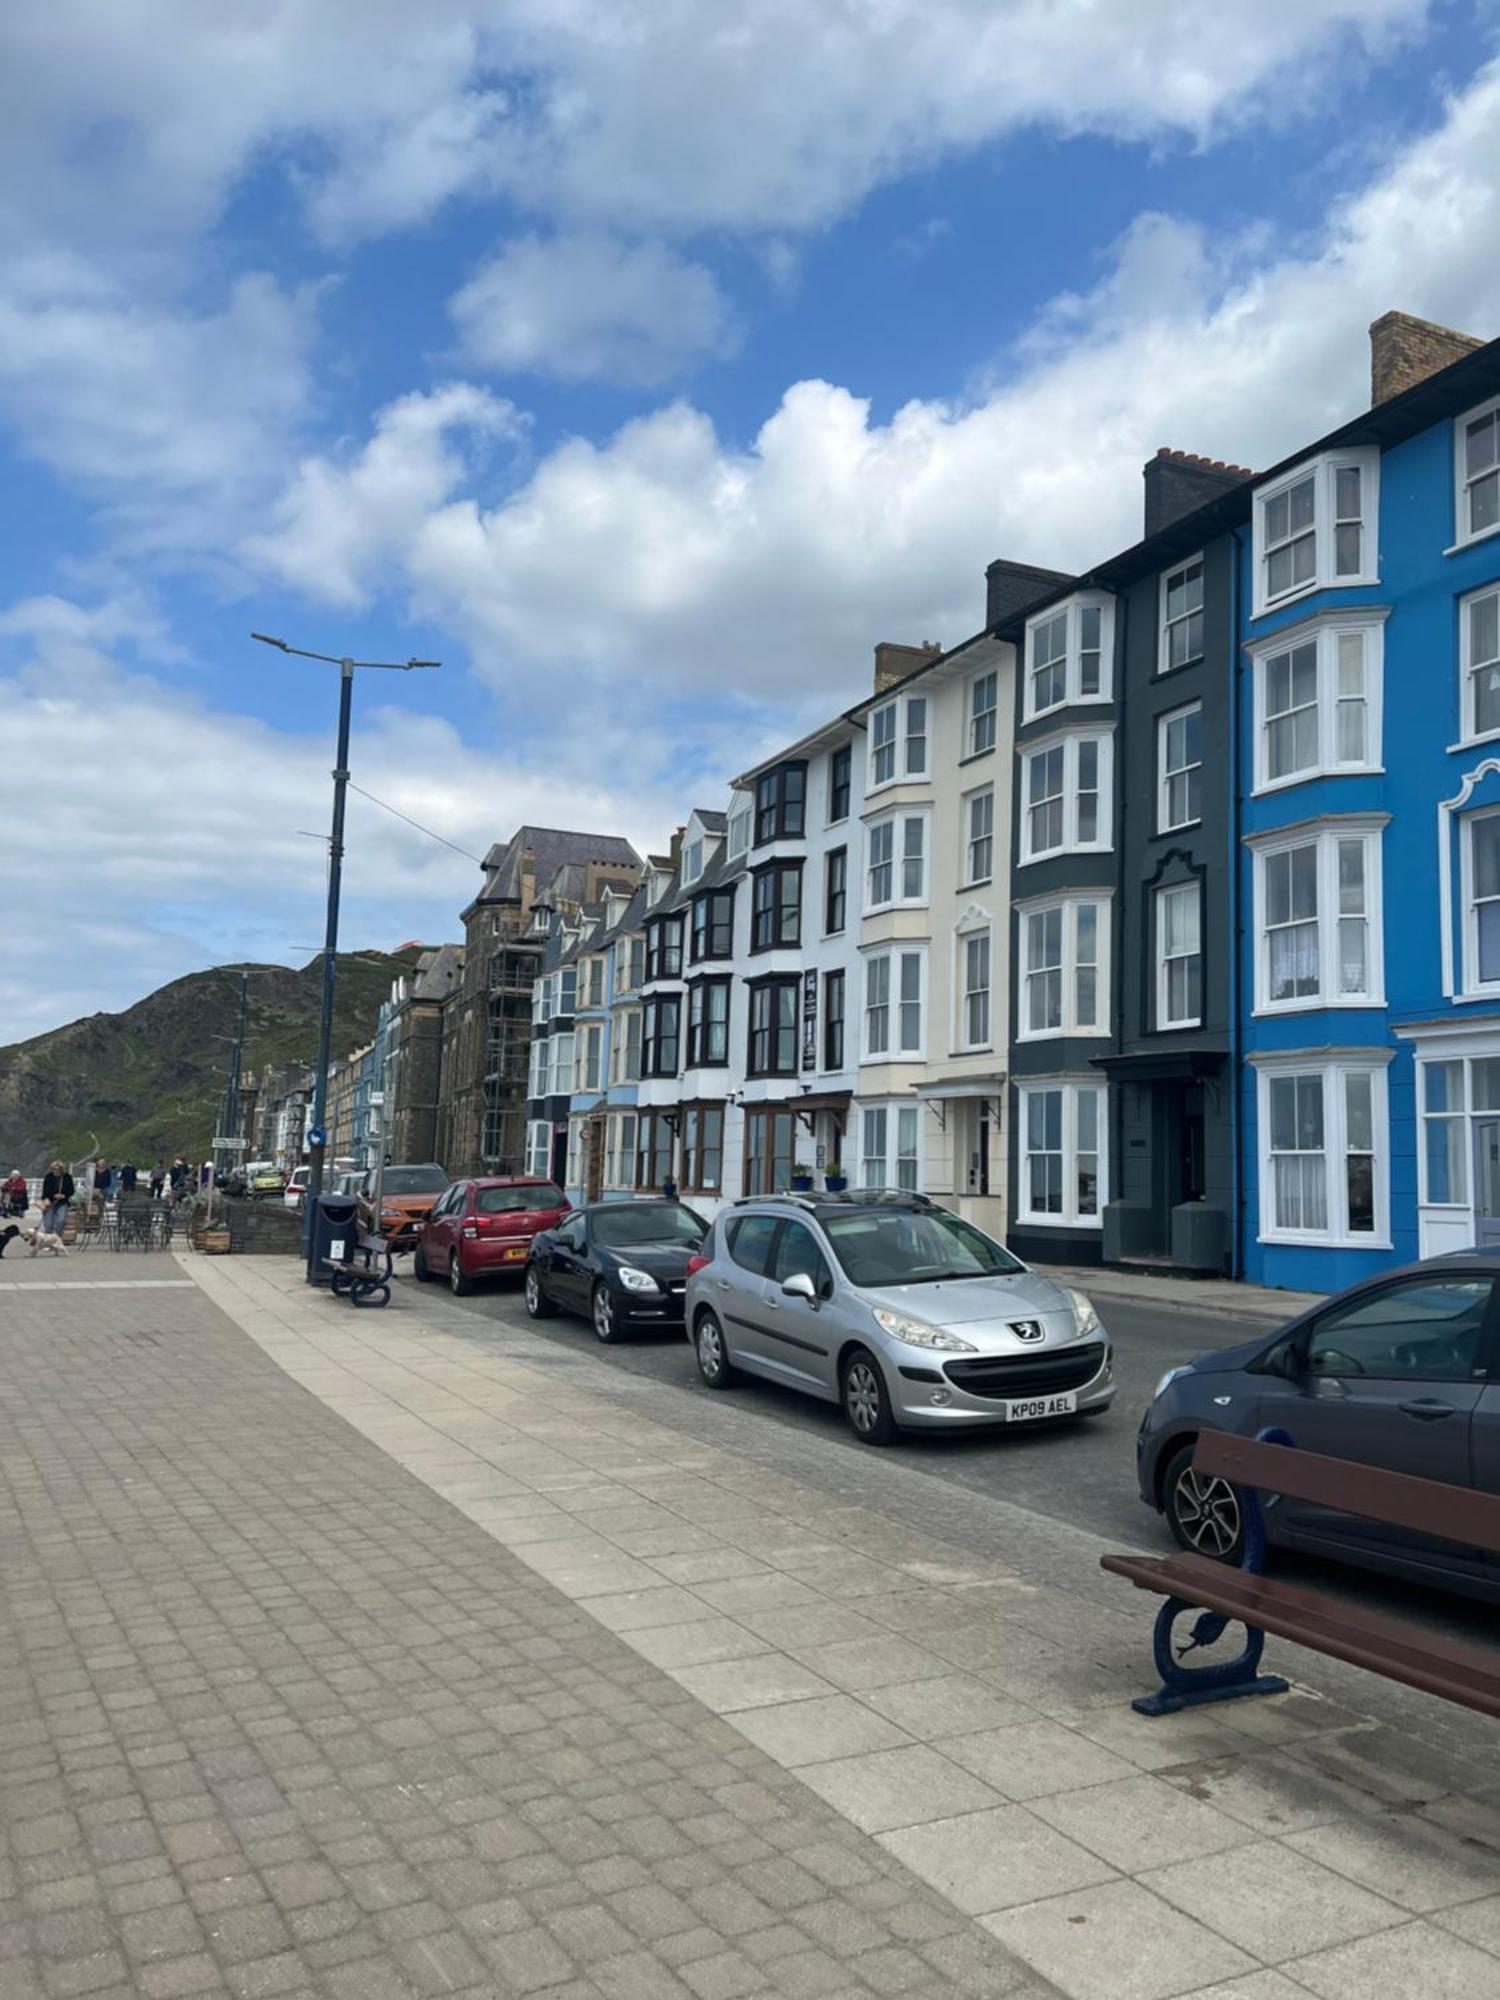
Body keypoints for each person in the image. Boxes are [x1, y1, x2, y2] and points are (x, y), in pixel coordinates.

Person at [40, 1161, 74, 1237]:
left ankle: (57, 1238)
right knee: (48, 1225)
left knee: (61, 1221)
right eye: (54, 1169)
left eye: (58, 1169)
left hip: (62, 1202)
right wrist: (51, 1196)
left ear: (62, 1169)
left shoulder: (67, 1177)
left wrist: (64, 1195)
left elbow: (71, 1190)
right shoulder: (49, 1177)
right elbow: (45, 1191)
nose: (56, 1171)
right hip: (50, 1203)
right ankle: (48, 1240)